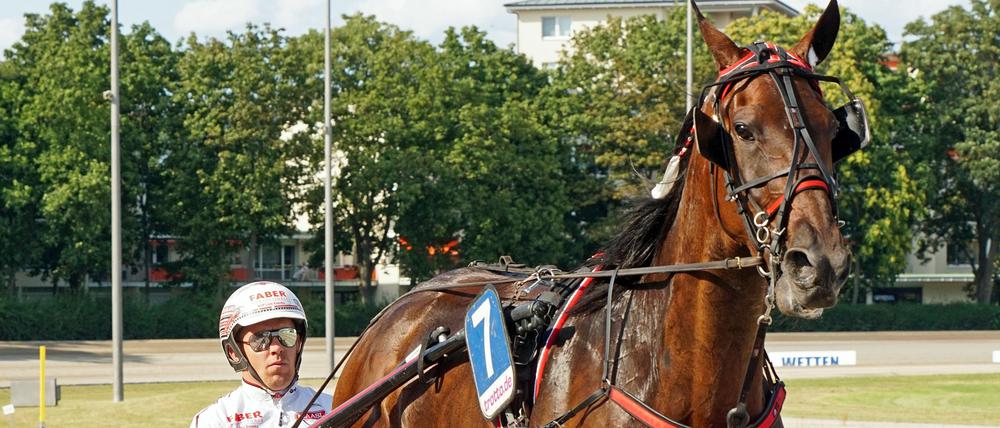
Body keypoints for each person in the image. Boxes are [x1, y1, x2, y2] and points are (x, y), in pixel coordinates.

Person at [191, 281, 333, 427]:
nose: (277, 348)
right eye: (260, 339)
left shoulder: (334, 408)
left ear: (299, 343)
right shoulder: (215, 420)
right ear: (233, 352)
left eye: (287, 335)